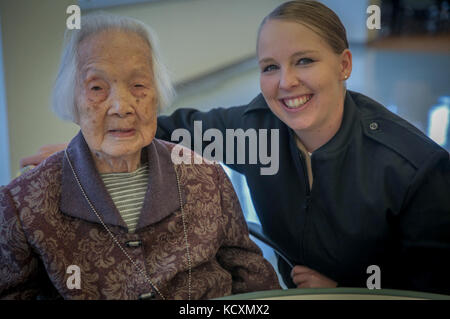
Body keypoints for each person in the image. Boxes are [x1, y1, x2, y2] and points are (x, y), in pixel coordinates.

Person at [19, 1, 450, 294]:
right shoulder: (255, 129)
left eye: (305, 61)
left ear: (344, 64)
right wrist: (89, 147)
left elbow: (434, 288)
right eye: (269, 67)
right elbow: (163, 126)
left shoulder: (415, 169)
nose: (286, 83)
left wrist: (352, 293)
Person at [0, 13, 280, 300]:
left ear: (156, 94)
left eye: (139, 86)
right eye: (97, 88)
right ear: (71, 100)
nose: (122, 106)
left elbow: (256, 286)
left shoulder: (207, 177)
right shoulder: (23, 204)